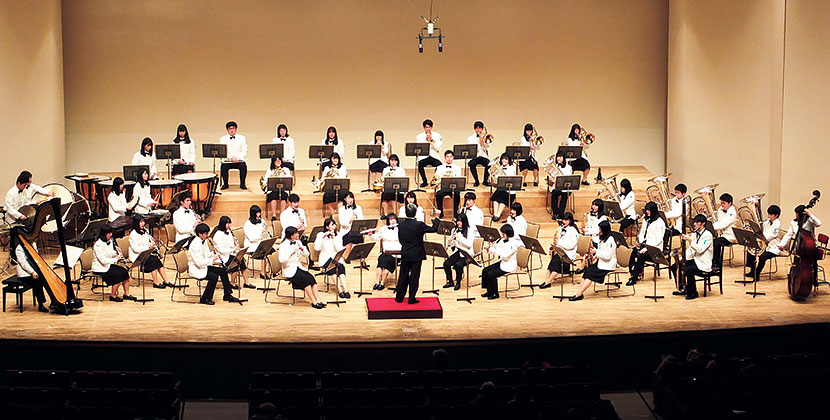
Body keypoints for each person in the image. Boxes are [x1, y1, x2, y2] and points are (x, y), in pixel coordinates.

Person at [396, 204, 441, 303]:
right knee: (414, 277)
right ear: (415, 213)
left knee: (403, 276)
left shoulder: (401, 225)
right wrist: (437, 217)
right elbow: (433, 229)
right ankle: (411, 298)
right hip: (417, 255)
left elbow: (401, 240)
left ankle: (399, 297)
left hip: (405, 253)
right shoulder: (419, 225)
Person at [187, 223, 240, 305]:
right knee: (213, 276)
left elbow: (207, 254)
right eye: (206, 233)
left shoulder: (203, 241)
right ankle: (205, 298)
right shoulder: (195, 245)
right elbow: (198, 262)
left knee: (223, 271)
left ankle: (227, 294)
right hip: (197, 268)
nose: (207, 235)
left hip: (204, 265)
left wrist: (214, 254)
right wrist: (212, 259)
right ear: (200, 234)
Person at [279, 226, 325, 308]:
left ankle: (318, 300)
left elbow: (307, 254)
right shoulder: (283, 245)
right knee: (306, 280)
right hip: (289, 270)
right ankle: (314, 302)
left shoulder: (297, 242)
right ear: (291, 235)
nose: (297, 234)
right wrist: (291, 253)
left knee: (311, 278)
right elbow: (281, 260)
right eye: (295, 233)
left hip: (298, 267)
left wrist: (302, 249)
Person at [569, 221, 616, 300]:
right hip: (601, 262)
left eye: (600, 229)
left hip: (607, 265)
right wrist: (595, 254)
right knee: (587, 271)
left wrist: (596, 252)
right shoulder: (603, 238)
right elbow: (601, 250)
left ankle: (579, 294)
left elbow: (608, 256)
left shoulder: (611, 240)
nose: (599, 230)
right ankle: (579, 292)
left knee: (590, 274)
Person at [672, 214, 713, 300]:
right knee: (675, 266)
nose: (694, 224)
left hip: (703, 262)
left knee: (688, 270)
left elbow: (700, 249)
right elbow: (691, 250)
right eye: (695, 222)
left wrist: (690, 240)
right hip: (695, 259)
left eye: (697, 223)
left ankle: (693, 292)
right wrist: (683, 258)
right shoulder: (694, 233)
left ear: (703, 224)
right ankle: (682, 288)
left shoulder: (708, 235)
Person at [779, 204, 823, 281]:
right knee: (797, 264)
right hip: (799, 246)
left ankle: (813, 279)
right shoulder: (793, 222)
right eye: (795, 213)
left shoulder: (810, 221)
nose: (796, 215)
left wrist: (810, 214)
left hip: (810, 247)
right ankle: (797, 280)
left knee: (812, 263)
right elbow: (789, 234)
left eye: (797, 213)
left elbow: (818, 223)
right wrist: (781, 245)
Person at [627, 202, 666, 286]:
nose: (647, 212)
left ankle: (634, 277)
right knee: (633, 251)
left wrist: (647, 248)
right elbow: (642, 232)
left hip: (655, 248)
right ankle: (633, 272)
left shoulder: (660, 223)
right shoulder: (646, 219)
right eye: (646, 210)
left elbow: (658, 239)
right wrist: (640, 242)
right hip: (646, 244)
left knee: (642, 256)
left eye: (649, 210)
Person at [92, 225, 134, 302]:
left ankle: (126, 294)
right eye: (109, 233)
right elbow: (103, 261)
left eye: (111, 233)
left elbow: (111, 254)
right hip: (100, 267)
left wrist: (117, 253)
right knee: (118, 275)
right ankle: (113, 296)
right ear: (104, 234)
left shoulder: (110, 241)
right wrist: (116, 259)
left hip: (108, 265)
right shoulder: (98, 245)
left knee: (124, 272)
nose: (111, 235)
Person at [128, 215, 171, 288]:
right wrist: (148, 246)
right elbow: (135, 249)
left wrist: (151, 242)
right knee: (153, 261)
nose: (143, 224)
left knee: (156, 260)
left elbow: (146, 243)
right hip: (137, 255)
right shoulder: (133, 234)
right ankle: (156, 282)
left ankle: (166, 281)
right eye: (141, 222)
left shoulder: (145, 231)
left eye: (143, 221)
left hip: (145, 253)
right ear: (136, 223)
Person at [212, 215, 253, 289]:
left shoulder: (229, 232)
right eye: (227, 224)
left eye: (229, 223)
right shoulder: (218, 234)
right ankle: (232, 283)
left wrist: (235, 247)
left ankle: (247, 282)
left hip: (230, 253)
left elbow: (231, 244)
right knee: (235, 264)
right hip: (223, 256)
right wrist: (232, 250)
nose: (229, 225)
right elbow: (221, 250)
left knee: (242, 262)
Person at [481, 224, 521, 299]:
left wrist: (496, 247)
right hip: (503, 262)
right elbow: (496, 250)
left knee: (491, 274)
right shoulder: (502, 240)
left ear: (508, 233)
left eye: (504, 233)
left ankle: (495, 294)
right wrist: (489, 249)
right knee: (485, 270)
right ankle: (489, 290)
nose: (502, 235)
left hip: (509, 266)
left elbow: (505, 254)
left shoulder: (514, 243)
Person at [540, 213, 579, 289]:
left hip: (568, 254)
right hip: (560, 251)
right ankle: (546, 281)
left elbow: (571, 246)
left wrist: (559, 243)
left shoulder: (573, 231)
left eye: (566, 220)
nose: (564, 221)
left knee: (557, 264)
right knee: (552, 263)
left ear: (570, 221)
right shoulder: (561, 228)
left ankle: (548, 281)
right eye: (563, 219)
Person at [315, 218, 350, 298]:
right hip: (325, 259)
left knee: (341, 268)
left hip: (336, 258)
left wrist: (334, 239)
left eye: (334, 224)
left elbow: (339, 249)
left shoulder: (338, 234)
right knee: (333, 269)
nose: (334, 226)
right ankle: (340, 290)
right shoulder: (320, 235)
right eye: (332, 225)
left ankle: (346, 290)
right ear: (327, 227)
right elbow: (317, 248)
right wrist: (323, 238)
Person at [744, 205, 781, 281]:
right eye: (768, 214)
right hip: (765, 245)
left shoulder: (777, 225)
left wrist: (758, 236)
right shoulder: (768, 222)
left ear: (776, 215)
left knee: (762, 257)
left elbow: (767, 236)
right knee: (750, 250)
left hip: (773, 247)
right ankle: (752, 270)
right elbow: (760, 227)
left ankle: (757, 274)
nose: (769, 216)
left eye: (771, 215)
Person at [442, 214, 475, 290]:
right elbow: (454, 245)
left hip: (467, 253)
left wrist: (460, 238)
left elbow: (469, 245)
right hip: (459, 251)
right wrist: (450, 242)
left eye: (460, 221)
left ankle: (458, 282)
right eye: (457, 221)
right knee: (446, 264)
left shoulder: (470, 231)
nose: (458, 223)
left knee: (458, 265)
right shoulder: (454, 230)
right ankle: (450, 281)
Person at [14, 241, 49, 312]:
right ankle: (41, 305)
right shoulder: (19, 248)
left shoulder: (33, 244)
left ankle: (54, 301)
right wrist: (32, 272)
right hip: (24, 273)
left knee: (46, 278)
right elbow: (23, 263)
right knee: (38, 281)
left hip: (34, 270)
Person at [371, 213, 400, 290]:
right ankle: (377, 282)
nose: (393, 221)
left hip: (396, 253)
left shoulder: (400, 229)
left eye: (394, 219)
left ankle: (382, 283)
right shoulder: (384, 229)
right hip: (385, 252)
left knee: (387, 266)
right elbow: (375, 237)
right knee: (380, 264)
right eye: (391, 219)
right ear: (388, 221)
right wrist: (371, 234)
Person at [433, 150, 463, 218]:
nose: (449, 158)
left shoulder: (457, 168)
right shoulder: (439, 168)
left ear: (453, 158)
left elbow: (458, 179)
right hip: (442, 187)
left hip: (453, 187)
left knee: (457, 194)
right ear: (445, 157)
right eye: (447, 157)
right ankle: (441, 212)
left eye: (450, 156)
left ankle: (455, 213)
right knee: (438, 195)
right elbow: (436, 178)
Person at [219, 121, 248, 190]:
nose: (231, 130)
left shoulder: (242, 138)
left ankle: (242, 184)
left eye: (233, 128)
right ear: (227, 130)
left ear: (236, 129)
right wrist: (231, 158)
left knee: (243, 166)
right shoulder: (223, 139)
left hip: (239, 159)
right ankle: (225, 184)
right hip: (228, 160)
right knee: (223, 167)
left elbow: (244, 150)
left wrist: (238, 157)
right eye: (230, 128)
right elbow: (223, 151)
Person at [338, 191, 365, 266]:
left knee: (360, 236)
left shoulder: (358, 208)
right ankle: (346, 256)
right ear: (345, 199)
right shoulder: (342, 209)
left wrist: (357, 217)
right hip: (346, 230)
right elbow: (342, 223)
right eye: (348, 198)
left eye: (351, 198)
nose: (350, 200)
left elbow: (362, 220)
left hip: (356, 230)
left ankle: (361, 257)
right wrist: (350, 220)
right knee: (350, 238)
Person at [490, 153, 518, 221]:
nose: (503, 160)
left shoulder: (512, 168)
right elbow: (496, 180)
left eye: (506, 159)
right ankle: (495, 214)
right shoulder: (500, 167)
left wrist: (500, 171)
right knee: (495, 198)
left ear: (509, 160)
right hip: (501, 189)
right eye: (502, 159)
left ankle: (498, 215)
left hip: (509, 191)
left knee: (503, 201)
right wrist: (493, 174)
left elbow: (508, 178)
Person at [416, 119, 443, 187]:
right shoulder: (419, 136)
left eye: (429, 127)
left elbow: (438, 148)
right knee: (420, 164)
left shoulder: (437, 135)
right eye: (426, 127)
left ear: (431, 127)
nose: (428, 129)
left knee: (439, 165)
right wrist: (426, 140)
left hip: (434, 155)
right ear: (424, 128)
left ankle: (434, 180)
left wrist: (431, 141)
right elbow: (419, 148)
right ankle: (424, 181)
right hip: (424, 156)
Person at [711, 193, 737, 264]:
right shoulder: (720, 209)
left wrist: (711, 227)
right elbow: (718, 221)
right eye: (721, 203)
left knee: (716, 242)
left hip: (730, 237)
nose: (722, 205)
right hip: (722, 234)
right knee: (708, 239)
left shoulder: (732, 213)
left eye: (724, 203)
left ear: (730, 203)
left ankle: (716, 262)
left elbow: (723, 224)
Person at [379, 154, 406, 218]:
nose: (393, 162)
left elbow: (403, 181)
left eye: (395, 160)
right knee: (384, 196)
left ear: (397, 162)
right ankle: (385, 214)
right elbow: (383, 179)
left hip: (398, 189)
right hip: (388, 189)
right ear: (389, 161)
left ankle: (394, 214)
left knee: (394, 197)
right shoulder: (385, 169)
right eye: (391, 160)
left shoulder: (401, 170)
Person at [548, 151, 573, 220]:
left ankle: (560, 214)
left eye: (560, 157)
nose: (558, 158)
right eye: (558, 157)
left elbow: (567, 178)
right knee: (554, 195)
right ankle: (555, 213)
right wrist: (551, 178)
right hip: (557, 186)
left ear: (564, 158)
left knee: (564, 196)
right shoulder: (556, 166)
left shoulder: (568, 167)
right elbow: (552, 176)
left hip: (566, 187)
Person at [466, 121, 491, 187]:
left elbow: (487, 148)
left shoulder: (486, 137)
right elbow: (471, 149)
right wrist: (478, 141)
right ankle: (476, 181)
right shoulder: (470, 138)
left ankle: (485, 181)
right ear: (474, 129)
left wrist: (483, 141)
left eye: (480, 128)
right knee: (471, 164)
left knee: (489, 164)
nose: (478, 129)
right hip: (474, 156)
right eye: (477, 128)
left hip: (483, 155)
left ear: (482, 129)